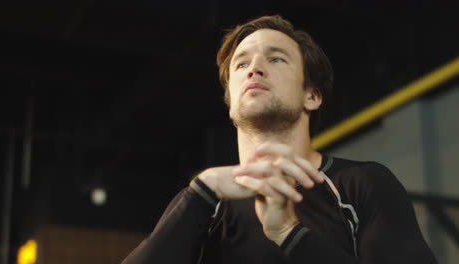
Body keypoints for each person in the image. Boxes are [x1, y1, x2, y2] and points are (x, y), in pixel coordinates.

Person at [122, 15, 437, 264]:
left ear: (311, 96)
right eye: (241, 64)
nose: (254, 69)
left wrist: (289, 234)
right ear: (230, 102)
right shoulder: (204, 200)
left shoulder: (361, 184)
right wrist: (203, 189)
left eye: (276, 59)